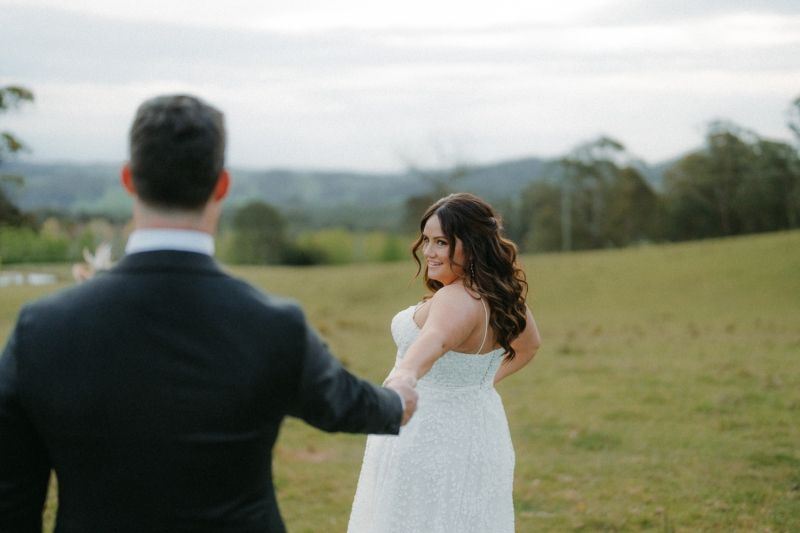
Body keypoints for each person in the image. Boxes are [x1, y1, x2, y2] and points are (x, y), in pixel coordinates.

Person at [0, 94, 417, 533]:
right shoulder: (275, 326)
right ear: (221, 184)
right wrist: (397, 400)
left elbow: (11, 503)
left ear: (129, 180)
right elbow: (343, 403)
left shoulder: (40, 330)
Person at [347, 193, 541, 533]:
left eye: (442, 242)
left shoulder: (455, 297)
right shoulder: (503, 296)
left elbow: (433, 339)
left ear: (473, 245)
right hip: (480, 430)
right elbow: (530, 346)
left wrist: (405, 375)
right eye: (426, 239)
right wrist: (477, 384)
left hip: (426, 435)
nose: (428, 251)